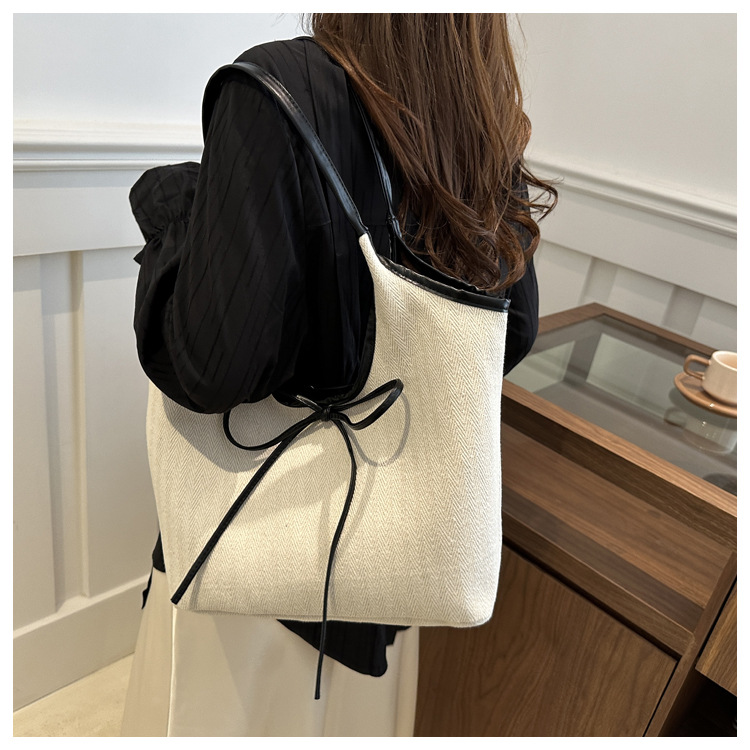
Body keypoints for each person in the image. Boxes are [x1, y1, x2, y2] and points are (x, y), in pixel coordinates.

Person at [121, 13, 557, 737]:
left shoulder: (274, 89)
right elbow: (511, 333)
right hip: (391, 553)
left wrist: (180, 211)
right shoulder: (480, 111)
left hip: (250, 550)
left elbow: (208, 367)